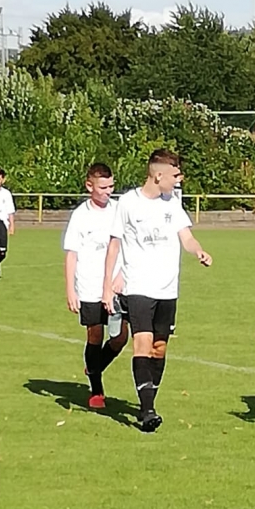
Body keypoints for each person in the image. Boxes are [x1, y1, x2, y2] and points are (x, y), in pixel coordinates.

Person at [102, 148, 212, 433]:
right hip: (138, 286)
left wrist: (198, 251)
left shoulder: (172, 202)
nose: (179, 179)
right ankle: (147, 410)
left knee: (159, 348)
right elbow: (114, 245)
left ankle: (148, 399)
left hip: (167, 289)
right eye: (176, 175)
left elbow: (185, 236)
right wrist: (107, 286)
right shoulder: (127, 203)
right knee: (142, 343)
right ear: (158, 174)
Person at [63, 162, 129, 410]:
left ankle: (94, 366)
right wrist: (71, 289)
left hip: (116, 286)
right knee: (95, 334)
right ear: (89, 185)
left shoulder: (119, 211)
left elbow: (129, 245)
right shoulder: (81, 215)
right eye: (103, 187)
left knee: (121, 336)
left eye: (111, 185)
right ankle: (97, 390)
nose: (108, 191)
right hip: (89, 285)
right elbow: (71, 254)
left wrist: (121, 274)